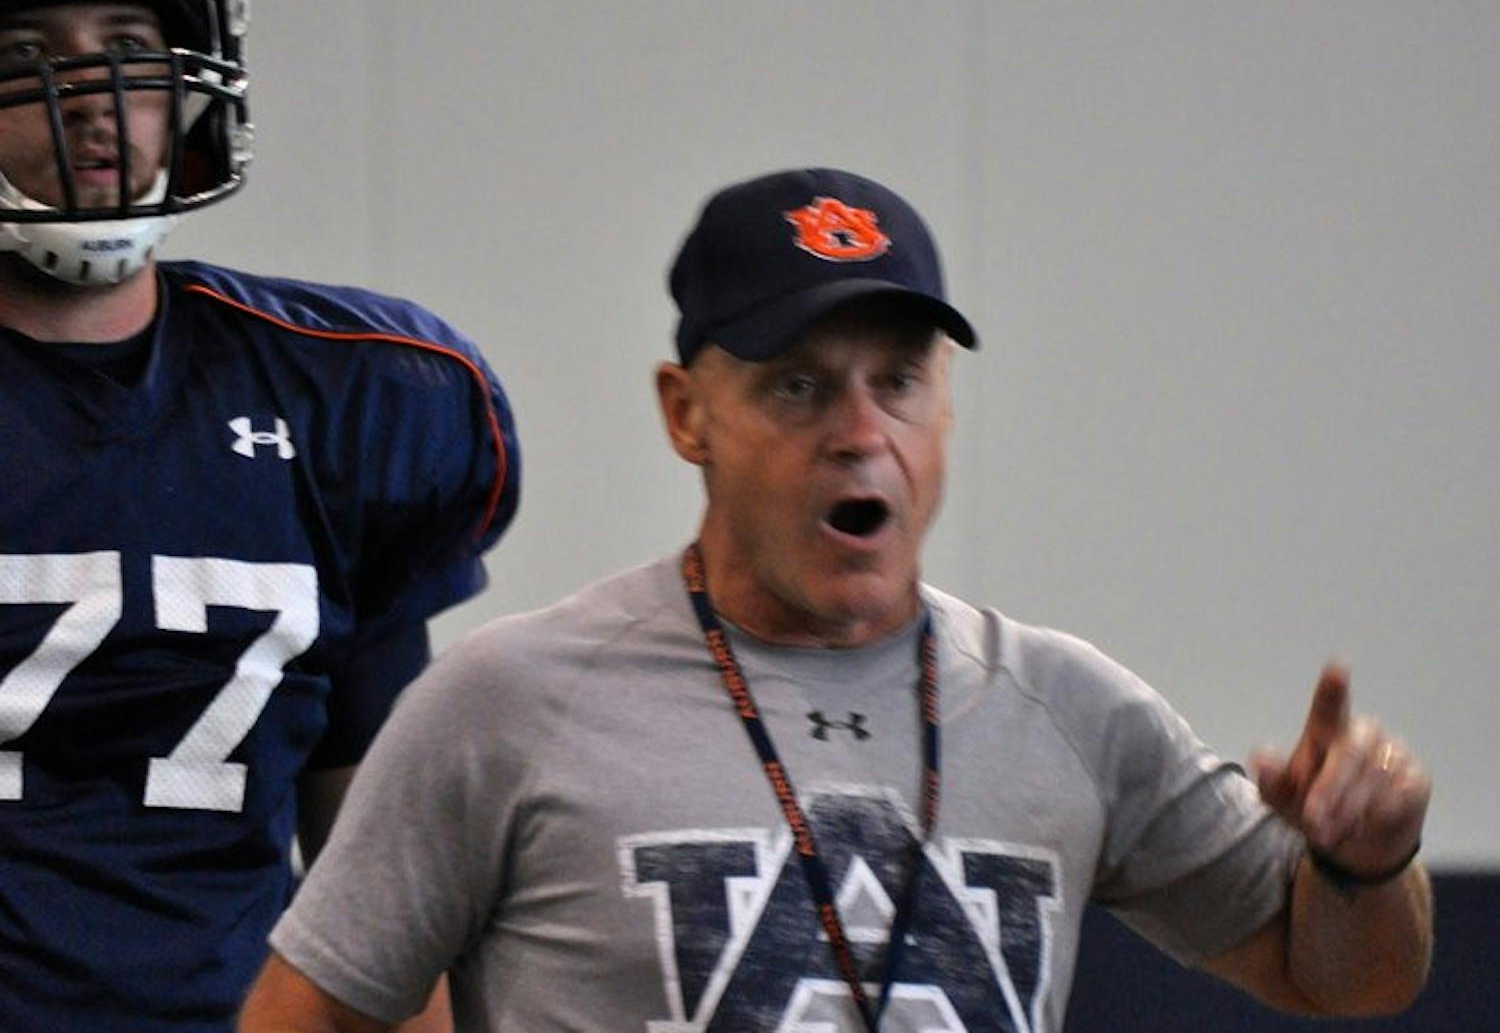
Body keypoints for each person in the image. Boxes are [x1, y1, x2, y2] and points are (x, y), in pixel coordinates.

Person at [239, 168, 1430, 1032]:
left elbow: (1344, 975)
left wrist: (1365, 867)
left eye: (899, 383)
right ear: (685, 414)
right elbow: (314, 1011)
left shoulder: (1067, 707)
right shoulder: (507, 705)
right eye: (799, 388)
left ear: (946, 408)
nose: (862, 437)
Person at [0, 0, 519, 1030]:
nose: (89, 95)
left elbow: (379, 871)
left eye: (129, 47)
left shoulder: (348, 393)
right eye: (27, 57)